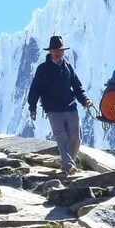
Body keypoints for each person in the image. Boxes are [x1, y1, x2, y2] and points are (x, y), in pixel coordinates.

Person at [28, 35, 94, 175]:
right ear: (50, 51)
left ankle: (67, 164)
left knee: (76, 137)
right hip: (53, 110)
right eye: (55, 50)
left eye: (60, 50)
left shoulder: (68, 67)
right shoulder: (43, 69)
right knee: (61, 137)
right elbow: (35, 89)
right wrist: (32, 107)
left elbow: (77, 87)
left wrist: (85, 100)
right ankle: (69, 165)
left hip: (70, 107)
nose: (58, 53)